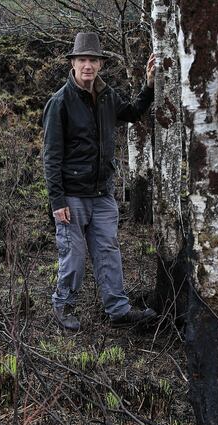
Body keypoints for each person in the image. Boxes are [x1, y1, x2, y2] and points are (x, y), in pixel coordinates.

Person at [41, 32, 157, 331]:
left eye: (93, 60)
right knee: (74, 256)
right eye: (82, 60)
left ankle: (118, 310)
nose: (88, 65)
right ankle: (63, 305)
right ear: (73, 63)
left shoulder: (107, 97)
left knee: (108, 251)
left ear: (100, 64)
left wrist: (149, 86)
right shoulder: (60, 102)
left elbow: (131, 113)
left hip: (102, 192)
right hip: (72, 196)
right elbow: (51, 157)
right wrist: (57, 201)